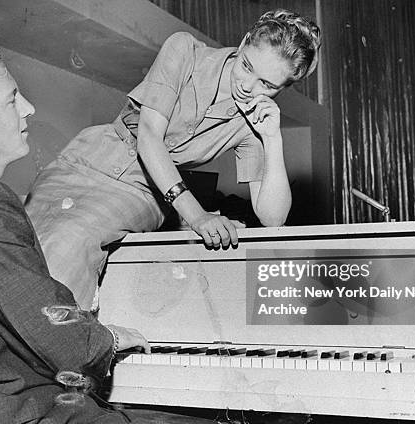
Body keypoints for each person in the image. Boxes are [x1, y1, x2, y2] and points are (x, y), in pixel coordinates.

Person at [0, 41, 219, 424]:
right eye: (13, 100)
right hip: (1, 416)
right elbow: (62, 339)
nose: (29, 108)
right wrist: (109, 337)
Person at [26, 9, 322, 311]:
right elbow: (150, 136)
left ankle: (61, 343)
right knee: (20, 245)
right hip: (87, 157)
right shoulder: (185, 51)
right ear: (244, 41)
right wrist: (198, 216)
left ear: (283, 88)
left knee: (65, 248)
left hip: (142, 189)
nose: (248, 86)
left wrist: (273, 139)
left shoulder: (252, 120)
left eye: (268, 85)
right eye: (247, 66)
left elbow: (273, 218)